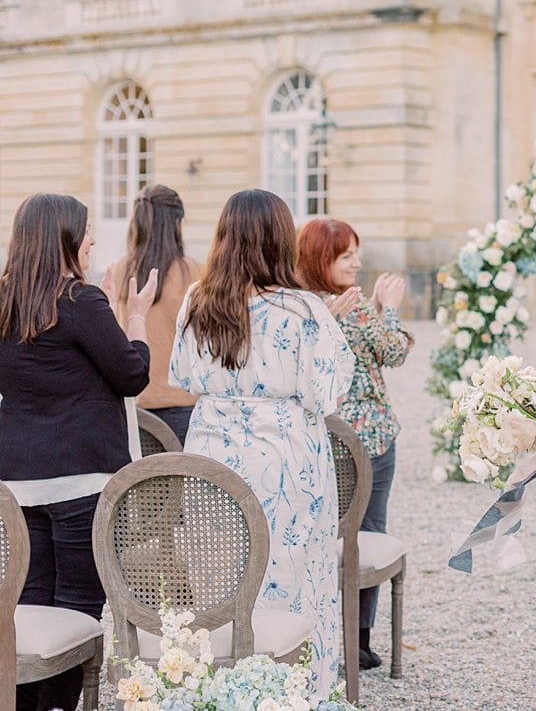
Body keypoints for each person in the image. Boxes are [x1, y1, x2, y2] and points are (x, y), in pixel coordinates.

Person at [170, 189, 355, 693]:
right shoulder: (303, 309)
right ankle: (294, 693)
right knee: (296, 586)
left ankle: (221, 692)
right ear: (280, 240)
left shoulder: (197, 300)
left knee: (219, 582)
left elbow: (183, 375)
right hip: (286, 461)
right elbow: (329, 391)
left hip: (211, 460)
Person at [0, 193, 155, 711]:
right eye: (86, 230)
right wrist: (134, 317)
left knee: (31, 602)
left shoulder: (5, 301)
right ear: (64, 237)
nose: (92, 239)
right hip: (80, 482)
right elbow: (131, 374)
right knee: (80, 605)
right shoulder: (78, 300)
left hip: (18, 481)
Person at [296, 217, 414, 670]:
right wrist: (390, 307)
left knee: (320, 536)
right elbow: (395, 351)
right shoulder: (356, 306)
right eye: (346, 256)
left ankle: (320, 631)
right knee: (367, 535)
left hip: (318, 438)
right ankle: (358, 640)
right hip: (371, 441)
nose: (357, 263)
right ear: (322, 259)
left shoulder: (299, 304)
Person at [105, 184, 200, 443]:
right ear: (176, 225)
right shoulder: (194, 273)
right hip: (185, 405)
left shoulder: (119, 271)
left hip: (135, 408)